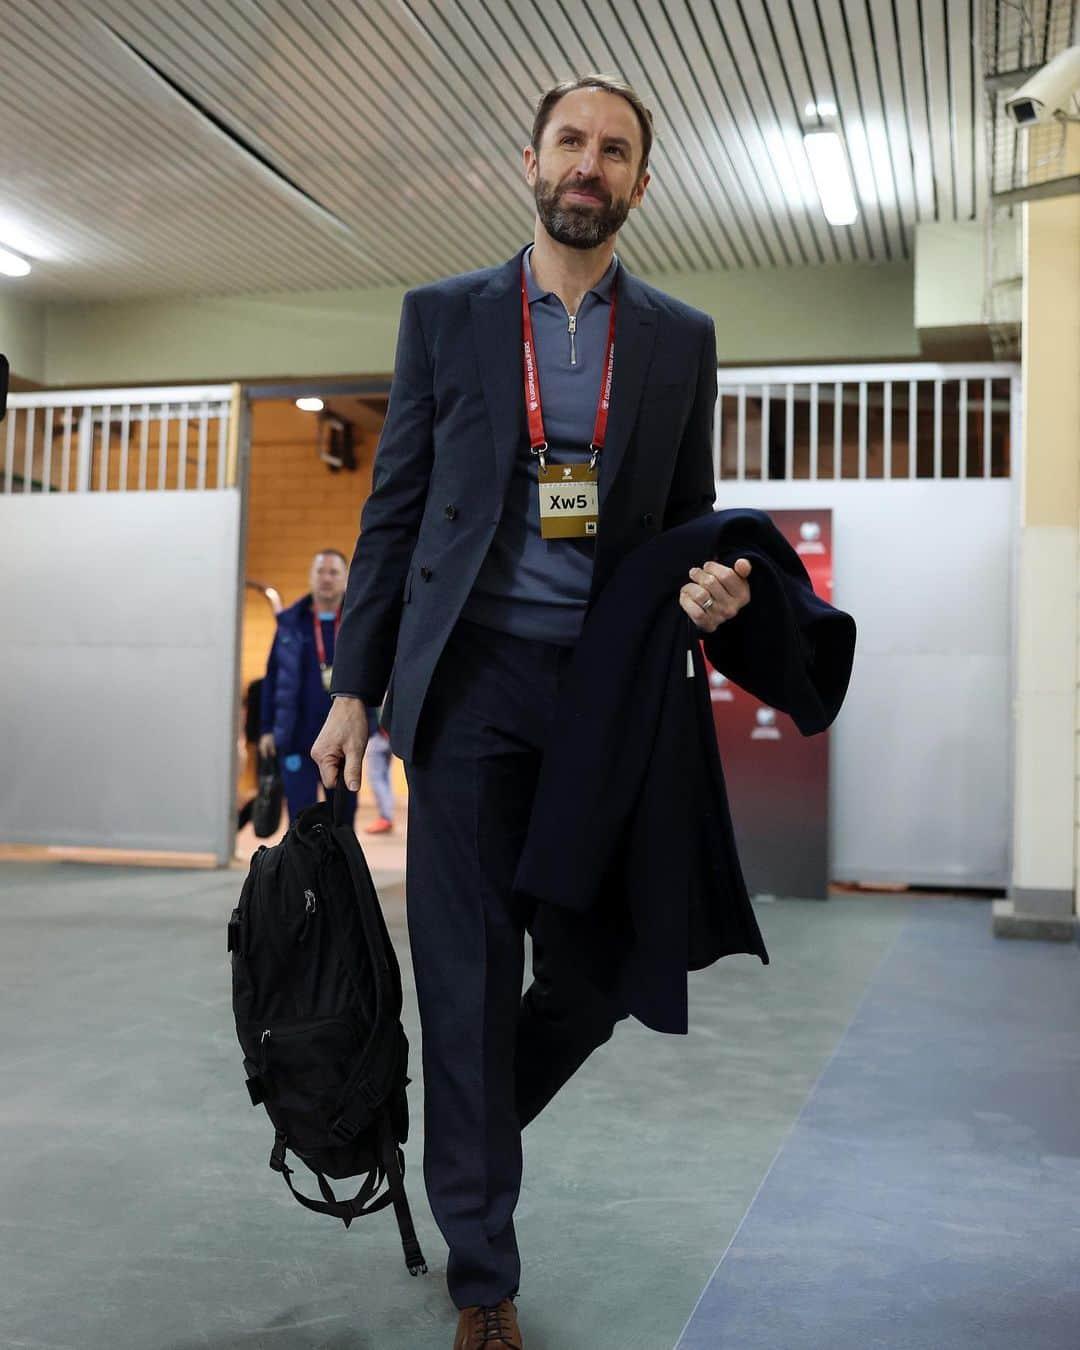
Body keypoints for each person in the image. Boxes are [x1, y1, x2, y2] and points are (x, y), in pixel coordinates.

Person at [311, 75, 753, 1350]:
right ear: (531, 161)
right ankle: (482, 1277)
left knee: (603, 972)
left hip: (607, 697)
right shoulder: (445, 318)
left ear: (639, 183)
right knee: (462, 977)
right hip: (469, 690)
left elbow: (685, 514)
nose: (589, 164)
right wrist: (354, 686)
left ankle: (464, 1125)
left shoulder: (678, 335)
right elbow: (393, 514)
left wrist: (713, 584)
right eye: (572, 140)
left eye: (615, 150)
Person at [259, 549, 357, 826]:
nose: (326, 578)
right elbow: (272, 678)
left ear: (346, 578)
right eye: (320, 572)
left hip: (343, 742)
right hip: (296, 739)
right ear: (311, 577)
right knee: (300, 823)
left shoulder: (358, 623)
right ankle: (300, 871)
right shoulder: (290, 624)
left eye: (334, 572)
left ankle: (340, 871)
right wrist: (267, 728)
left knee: (342, 823)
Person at [363, 704, 395, 834]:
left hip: (378, 736)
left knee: (376, 778)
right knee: (385, 777)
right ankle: (387, 816)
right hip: (390, 737)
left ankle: (385, 817)